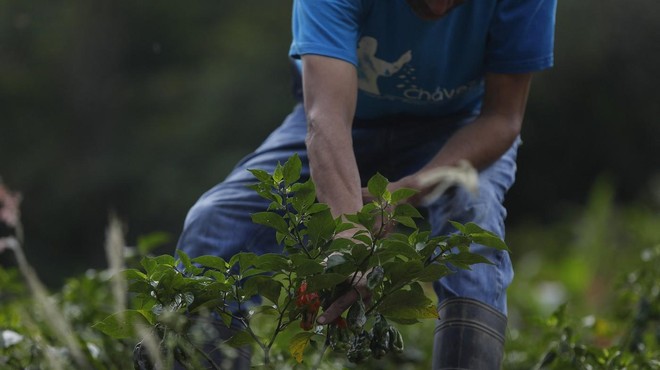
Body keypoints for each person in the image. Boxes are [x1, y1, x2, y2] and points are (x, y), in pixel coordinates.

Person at [177, 0, 556, 368]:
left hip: (459, 128)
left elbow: (502, 119)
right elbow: (326, 117)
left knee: (475, 219)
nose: (439, 9)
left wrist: (410, 188)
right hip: (344, 120)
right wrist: (350, 244)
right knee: (214, 223)